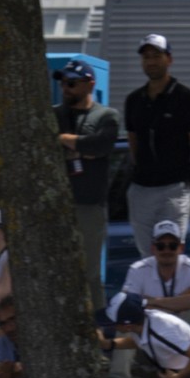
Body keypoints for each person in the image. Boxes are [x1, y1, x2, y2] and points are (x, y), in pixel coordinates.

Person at [123, 33, 190, 258]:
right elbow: (134, 146)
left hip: (175, 190)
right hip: (141, 191)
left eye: (157, 56)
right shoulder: (133, 100)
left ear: (169, 59)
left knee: (171, 258)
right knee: (147, 259)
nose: (151, 61)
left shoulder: (186, 99)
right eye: (146, 57)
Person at [54, 59, 121, 312]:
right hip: (57, 208)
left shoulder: (105, 115)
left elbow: (100, 146)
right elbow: (45, 150)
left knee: (89, 273)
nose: (65, 88)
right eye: (63, 83)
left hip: (89, 206)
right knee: (58, 273)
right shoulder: (54, 114)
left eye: (71, 83)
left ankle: (96, 329)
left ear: (90, 84)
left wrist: (64, 140)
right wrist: (81, 147)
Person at [123, 219, 190, 333]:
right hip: (150, 324)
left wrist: (151, 301)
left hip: (183, 325)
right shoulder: (138, 269)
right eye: (161, 246)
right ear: (153, 248)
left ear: (181, 248)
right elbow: (128, 305)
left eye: (172, 246)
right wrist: (181, 302)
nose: (166, 250)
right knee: (126, 320)